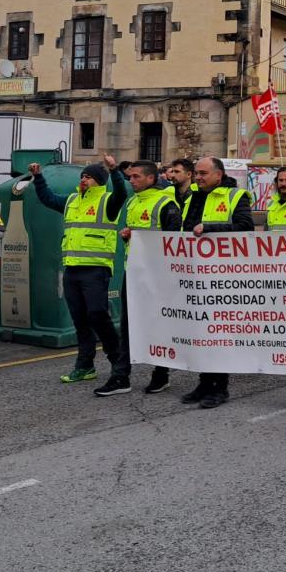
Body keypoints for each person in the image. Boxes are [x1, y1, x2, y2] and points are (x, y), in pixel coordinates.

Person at [29, 155, 127, 386]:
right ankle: (85, 366)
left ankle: (118, 363)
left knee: (98, 315)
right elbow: (48, 199)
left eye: (90, 177)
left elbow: (122, 193)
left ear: (100, 182)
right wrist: (38, 177)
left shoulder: (108, 201)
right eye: (83, 176)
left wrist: (114, 170)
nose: (85, 179)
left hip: (96, 269)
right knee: (80, 320)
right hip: (72, 269)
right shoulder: (72, 200)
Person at [179, 157, 254, 409]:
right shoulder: (193, 197)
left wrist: (209, 228)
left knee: (219, 335)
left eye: (203, 173)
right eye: (196, 174)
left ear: (218, 175)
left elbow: (245, 227)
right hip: (196, 274)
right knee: (200, 332)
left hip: (224, 277)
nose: (198, 177)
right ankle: (204, 382)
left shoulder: (235, 196)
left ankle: (220, 388)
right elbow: (185, 229)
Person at [114, 160, 182, 396]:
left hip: (158, 276)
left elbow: (174, 241)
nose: (131, 180)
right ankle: (120, 376)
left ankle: (161, 375)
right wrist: (127, 236)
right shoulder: (133, 201)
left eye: (135, 177)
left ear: (151, 179)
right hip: (132, 274)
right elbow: (136, 235)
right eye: (130, 177)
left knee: (158, 325)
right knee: (127, 325)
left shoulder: (166, 203)